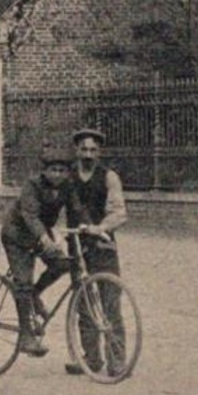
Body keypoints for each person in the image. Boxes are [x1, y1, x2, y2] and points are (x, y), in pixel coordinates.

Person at [1, 142, 76, 358]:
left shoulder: (67, 187)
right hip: (17, 235)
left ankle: (35, 294)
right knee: (23, 283)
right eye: (53, 170)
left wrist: (90, 228)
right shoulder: (32, 185)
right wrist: (45, 238)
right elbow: (30, 215)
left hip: (41, 233)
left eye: (62, 170)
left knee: (62, 264)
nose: (58, 174)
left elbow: (77, 209)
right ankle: (26, 335)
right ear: (44, 171)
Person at [64, 127, 128, 376]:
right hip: (77, 246)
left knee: (110, 302)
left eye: (93, 150)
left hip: (103, 245)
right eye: (84, 149)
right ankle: (91, 359)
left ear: (99, 152)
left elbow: (119, 212)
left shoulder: (109, 177)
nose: (88, 154)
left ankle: (117, 360)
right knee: (84, 303)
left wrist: (100, 228)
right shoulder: (68, 177)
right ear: (76, 150)